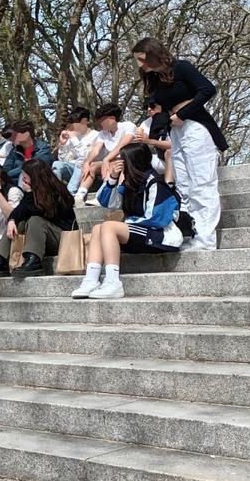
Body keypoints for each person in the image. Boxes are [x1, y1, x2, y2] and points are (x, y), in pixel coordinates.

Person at [134, 36, 226, 250]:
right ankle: (192, 234)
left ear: (153, 54)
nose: (140, 65)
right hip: (176, 132)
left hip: (195, 128)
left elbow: (207, 89)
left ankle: (206, 239)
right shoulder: (155, 79)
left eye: (142, 59)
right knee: (184, 185)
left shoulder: (181, 67)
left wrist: (182, 113)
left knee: (202, 183)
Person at [72, 142, 183, 299]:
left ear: (133, 161)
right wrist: (112, 178)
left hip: (160, 235)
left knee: (109, 227)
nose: (119, 163)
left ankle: (113, 282)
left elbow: (158, 218)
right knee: (98, 228)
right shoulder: (130, 183)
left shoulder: (155, 183)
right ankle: (91, 280)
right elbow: (106, 202)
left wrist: (128, 224)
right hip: (141, 232)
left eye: (123, 160)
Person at [0, 159, 77, 278]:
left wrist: (29, 194)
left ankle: (34, 260)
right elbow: (19, 212)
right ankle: (0, 258)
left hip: (63, 238)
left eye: (25, 177)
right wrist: (12, 221)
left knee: (35, 220)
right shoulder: (31, 193)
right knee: (19, 223)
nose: (23, 180)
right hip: (41, 239)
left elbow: (45, 211)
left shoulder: (57, 191)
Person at [73, 103, 136, 206]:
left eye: (102, 120)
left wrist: (107, 159)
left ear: (112, 118)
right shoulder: (103, 133)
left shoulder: (128, 126)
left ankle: (102, 195)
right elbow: (95, 150)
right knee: (92, 166)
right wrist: (87, 162)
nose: (99, 123)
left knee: (112, 163)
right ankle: (80, 195)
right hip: (111, 161)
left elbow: (122, 145)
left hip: (129, 161)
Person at [53, 108, 99, 195]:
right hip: (72, 167)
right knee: (57, 164)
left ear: (85, 122)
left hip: (87, 169)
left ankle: (70, 192)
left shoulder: (95, 135)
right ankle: (55, 192)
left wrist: (74, 140)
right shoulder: (71, 136)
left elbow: (87, 156)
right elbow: (63, 159)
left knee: (81, 161)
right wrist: (62, 145)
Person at [3, 121, 54, 185]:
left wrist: (7, 175)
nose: (11, 138)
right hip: (15, 185)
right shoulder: (14, 151)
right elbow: (5, 169)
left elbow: (33, 168)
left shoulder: (43, 148)